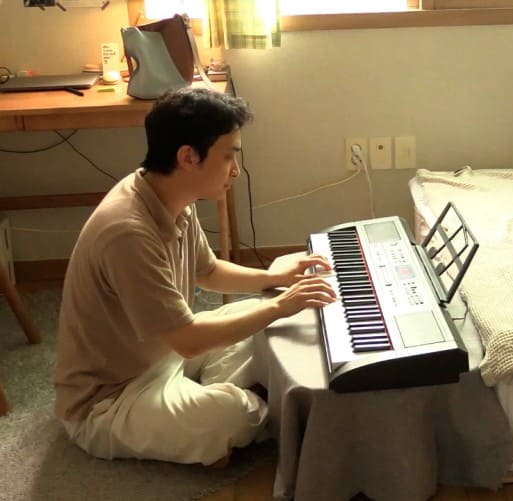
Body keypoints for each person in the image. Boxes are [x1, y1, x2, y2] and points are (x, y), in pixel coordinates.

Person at [53, 87, 337, 468]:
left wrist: (274, 277)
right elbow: (188, 340)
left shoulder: (168, 196)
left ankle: (198, 419)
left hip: (163, 355)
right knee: (234, 413)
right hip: (110, 398)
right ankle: (210, 418)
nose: (236, 170)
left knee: (263, 318)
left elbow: (208, 270)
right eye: (228, 156)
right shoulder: (127, 231)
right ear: (188, 157)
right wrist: (281, 305)